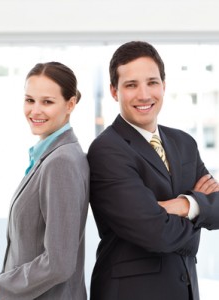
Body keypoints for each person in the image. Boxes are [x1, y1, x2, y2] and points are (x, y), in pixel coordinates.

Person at [87, 41, 219, 300]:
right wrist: (200, 210)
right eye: (131, 85)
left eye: (152, 82)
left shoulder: (184, 143)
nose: (144, 95)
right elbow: (156, 234)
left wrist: (184, 205)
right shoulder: (106, 150)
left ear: (164, 85)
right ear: (114, 91)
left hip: (185, 289)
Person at [0, 62, 89, 300]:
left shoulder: (61, 162)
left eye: (47, 102)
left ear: (70, 104)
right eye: (30, 100)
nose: (35, 111)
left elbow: (59, 263)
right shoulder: (50, 156)